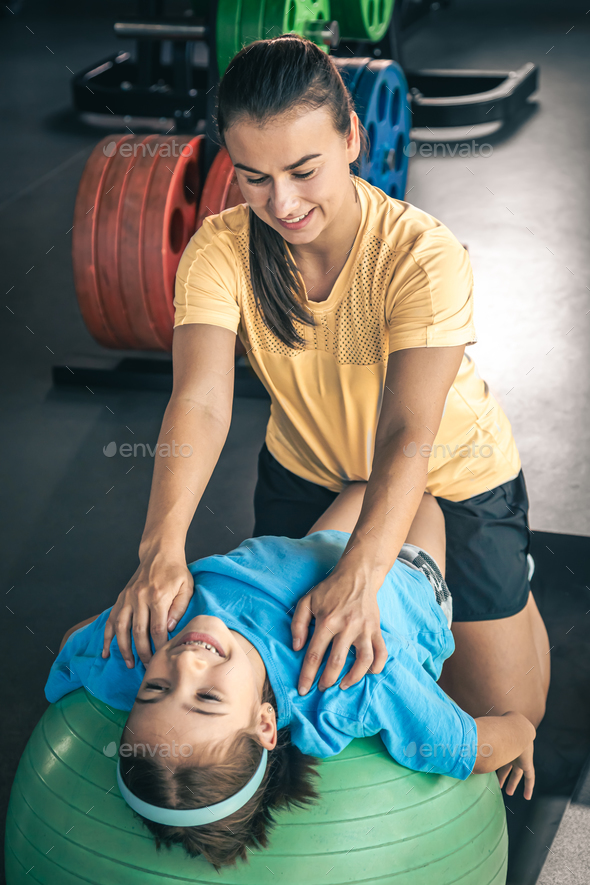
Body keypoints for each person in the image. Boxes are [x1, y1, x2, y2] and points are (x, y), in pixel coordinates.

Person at [102, 34, 550, 736]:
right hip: (307, 471)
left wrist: (365, 574)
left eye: (303, 170)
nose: (281, 202)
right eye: (253, 177)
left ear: (351, 138)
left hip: (452, 471)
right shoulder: (220, 250)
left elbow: (408, 434)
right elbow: (199, 400)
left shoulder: (421, 254)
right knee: (296, 682)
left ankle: (510, 593)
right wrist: (161, 546)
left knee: (504, 715)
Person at [49, 485, 537, 869]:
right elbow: (468, 748)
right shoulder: (347, 684)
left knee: (362, 479)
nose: (184, 664)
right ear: (265, 723)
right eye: (207, 698)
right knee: (424, 490)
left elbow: (77, 648)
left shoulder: (141, 645)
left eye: (155, 690)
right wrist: (521, 731)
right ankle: (517, 577)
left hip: (312, 547)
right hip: (408, 569)